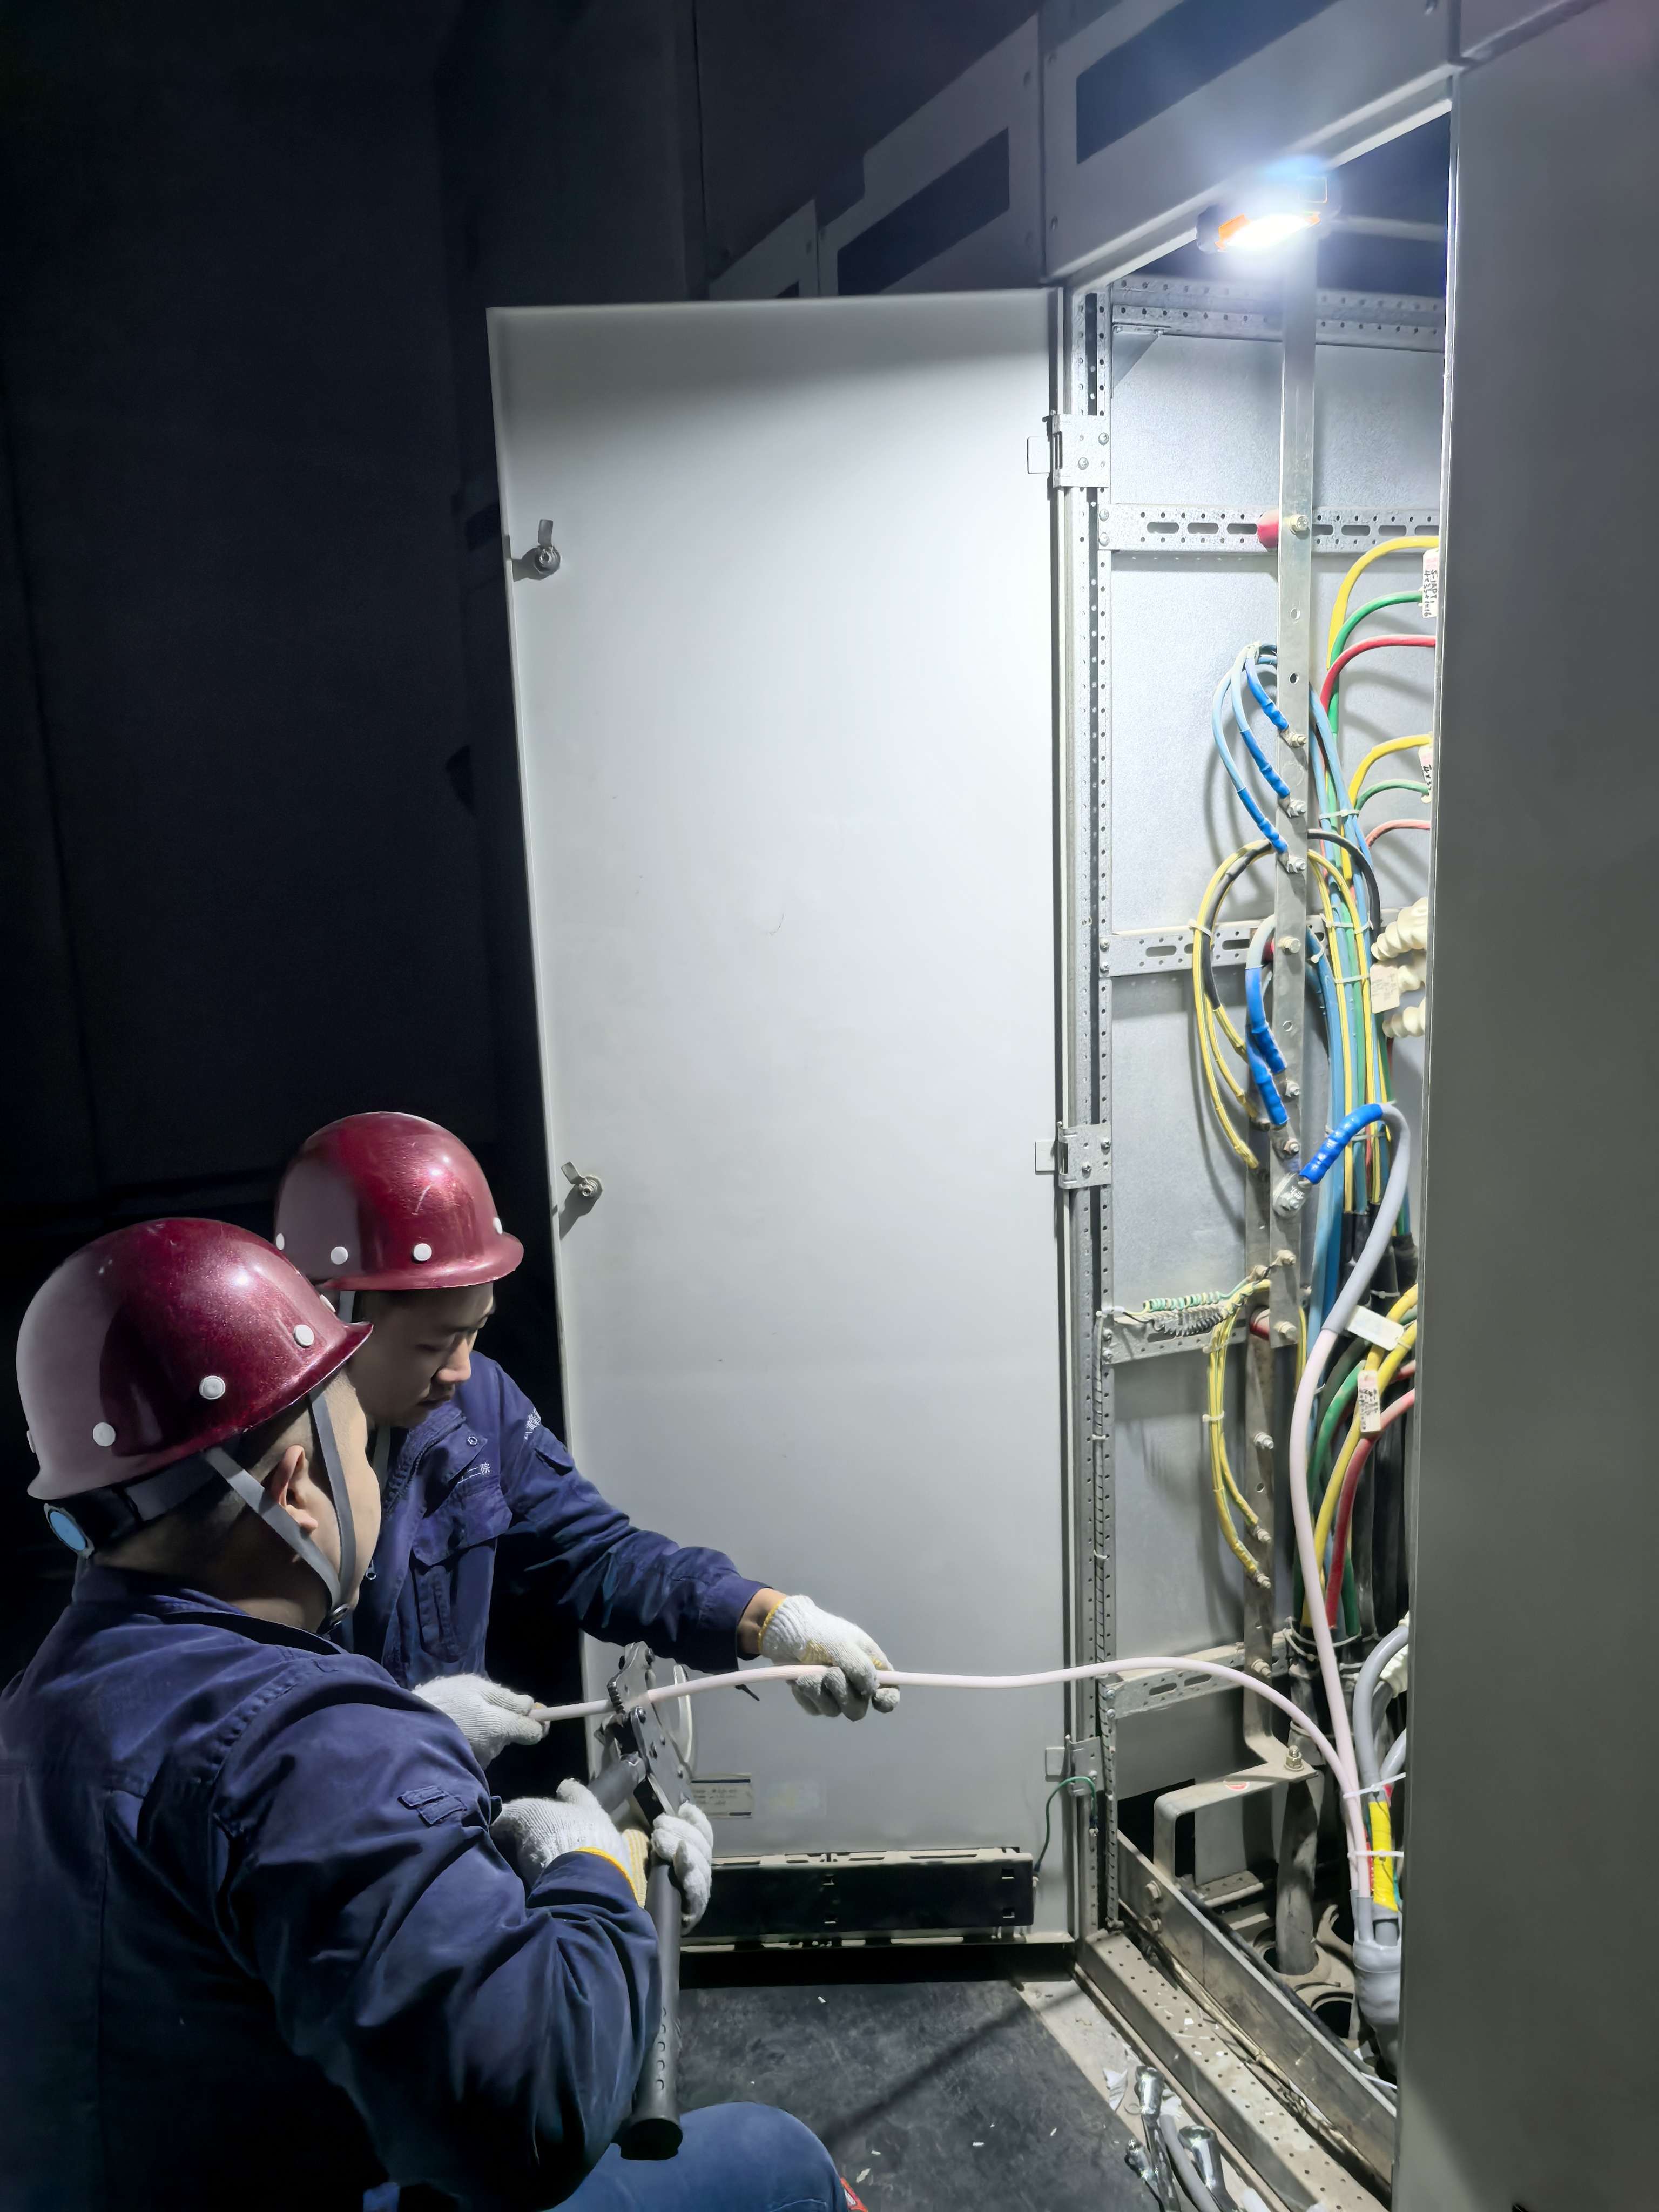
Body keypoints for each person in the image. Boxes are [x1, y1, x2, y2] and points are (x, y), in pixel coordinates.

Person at [0, 1217, 845, 2212]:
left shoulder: (33, 1709)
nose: (459, 1370)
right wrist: (599, 1880)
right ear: (296, 1491)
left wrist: (762, 1619)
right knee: (777, 2156)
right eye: (356, 1446)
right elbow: (539, 2115)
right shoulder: (315, 1748)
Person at [274, 1112, 898, 1768]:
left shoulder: (481, 1407)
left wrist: (767, 1620)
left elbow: (594, 1555)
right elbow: (219, 1705)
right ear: (328, 1314)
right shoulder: (250, 1460)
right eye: (434, 1344)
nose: (461, 1369)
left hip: (440, 1803)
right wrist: (387, 1730)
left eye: (475, 1330)